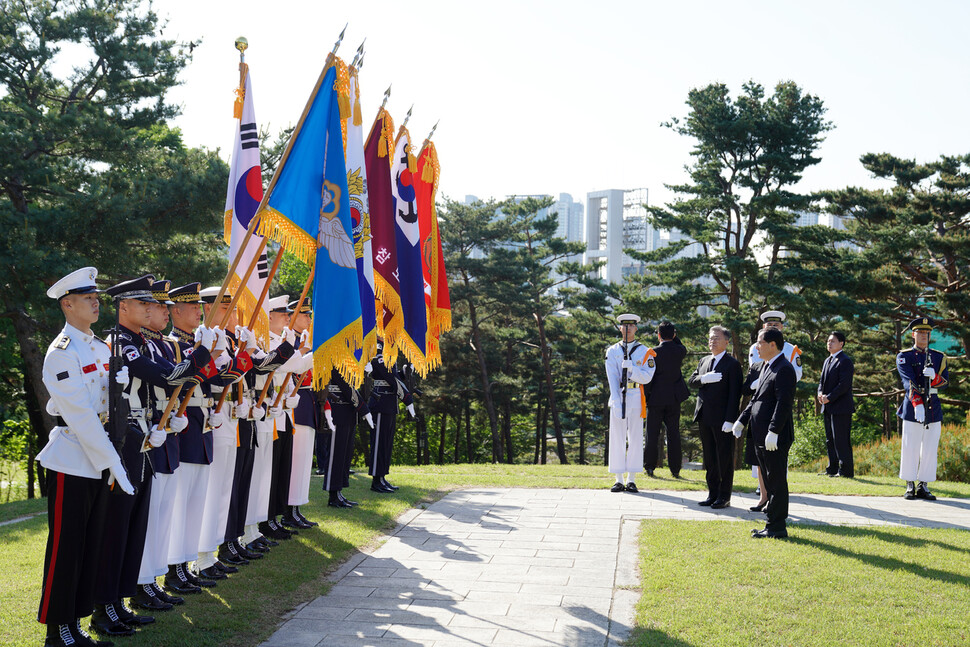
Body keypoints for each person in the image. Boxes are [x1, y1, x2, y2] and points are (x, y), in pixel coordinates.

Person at [92, 275, 213, 638]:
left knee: (134, 524)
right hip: (125, 441)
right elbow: (166, 377)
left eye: (152, 304)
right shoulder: (121, 343)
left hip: (145, 438)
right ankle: (104, 606)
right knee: (117, 526)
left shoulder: (142, 342)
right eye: (143, 304)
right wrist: (202, 356)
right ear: (123, 307)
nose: (151, 309)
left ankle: (120, 600)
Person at [37, 267, 133, 647]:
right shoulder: (61, 353)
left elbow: (108, 407)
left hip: (99, 455)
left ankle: (76, 623)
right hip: (74, 460)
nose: (96, 302)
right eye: (87, 297)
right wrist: (112, 461)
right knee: (66, 548)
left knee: (91, 545)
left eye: (97, 296)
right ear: (67, 304)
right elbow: (79, 416)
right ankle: (57, 631)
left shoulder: (99, 346)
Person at [731, 327, 796, 539]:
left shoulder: (784, 369)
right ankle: (771, 523)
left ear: (772, 345)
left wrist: (774, 431)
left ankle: (777, 527)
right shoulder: (767, 366)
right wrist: (742, 420)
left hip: (773, 437)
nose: (756, 346)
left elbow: (783, 403)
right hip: (760, 434)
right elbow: (757, 399)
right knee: (769, 481)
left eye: (759, 342)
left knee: (776, 481)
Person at [746, 310, 802, 508]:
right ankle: (764, 496)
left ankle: (775, 513)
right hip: (761, 408)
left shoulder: (788, 351)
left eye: (775, 325)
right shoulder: (756, 348)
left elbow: (793, 377)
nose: (772, 327)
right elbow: (755, 370)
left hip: (776, 409)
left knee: (776, 468)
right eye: (768, 325)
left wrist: (774, 429)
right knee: (760, 461)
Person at [688, 326, 742, 508]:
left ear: (727, 341)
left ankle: (724, 496)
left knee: (724, 458)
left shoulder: (732, 364)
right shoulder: (704, 361)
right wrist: (704, 378)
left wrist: (730, 419)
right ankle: (712, 493)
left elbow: (735, 395)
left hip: (722, 419)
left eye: (717, 338)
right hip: (704, 416)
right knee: (709, 458)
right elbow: (691, 381)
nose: (712, 341)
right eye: (711, 338)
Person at [896, 317, 948, 501]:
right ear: (913, 334)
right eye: (920, 332)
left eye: (927, 333)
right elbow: (908, 381)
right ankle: (909, 483)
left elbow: (945, 383)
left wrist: (934, 377)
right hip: (913, 406)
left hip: (933, 406)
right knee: (911, 446)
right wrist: (917, 404)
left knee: (929, 448)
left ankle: (923, 485)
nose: (924, 336)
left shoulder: (939, 357)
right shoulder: (905, 356)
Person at [604, 313, 655, 493]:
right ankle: (618, 479)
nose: (627, 329)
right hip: (618, 395)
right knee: (617, 437)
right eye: (624, 326)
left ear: (636, 328)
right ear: (620, 328)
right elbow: (611, 378)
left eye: (631, 326)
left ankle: (632, 479)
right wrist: (616, 400)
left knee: (635, 438)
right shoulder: (612, 351)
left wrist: (632, 369)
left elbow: (647, 377)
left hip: (635, 395)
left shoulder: (645, 351)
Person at [367, 339, 415, 493]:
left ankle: (382, 477)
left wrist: (404, 371)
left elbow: (394, 376)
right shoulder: (378, 346)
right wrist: (407, 398)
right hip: (380, 402)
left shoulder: (389, 348)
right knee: (379, 443)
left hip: (389, 403)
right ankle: (376, 480)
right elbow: (387, 375)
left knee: (386, 444)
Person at [643, 321, 689, 477]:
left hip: (655, 398)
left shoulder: (653, 353)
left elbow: (648, 378)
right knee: (674, 434)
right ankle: (675, 469)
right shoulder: (680, 351)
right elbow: (680, 345)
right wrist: (674, 336)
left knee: (652, 434)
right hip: (674, 398)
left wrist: (646, 397)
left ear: (658, 335)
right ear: (674, 335)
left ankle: (649, 466)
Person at [324, 368, 374, 507]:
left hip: (349, 411)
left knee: (344, 456)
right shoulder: (335, 357)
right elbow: (345, 385)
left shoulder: (348, 359)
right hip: (338, 410)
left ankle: (338, 491)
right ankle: (332, 494)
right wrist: (364, 409)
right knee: (336, 455)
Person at [817, 331, 855, 478]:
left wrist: (830, 397)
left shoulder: (845, 361)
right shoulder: (828, 360)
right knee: (830, 439)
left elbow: (844, 385)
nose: (829, 343)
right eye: (828, 341)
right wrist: (820, 394)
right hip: (828, 406)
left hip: (841, 407)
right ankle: (832, 468)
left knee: (841, 439)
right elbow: (822, 382)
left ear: (841, 343)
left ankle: (845, 470)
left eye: (833, 341)